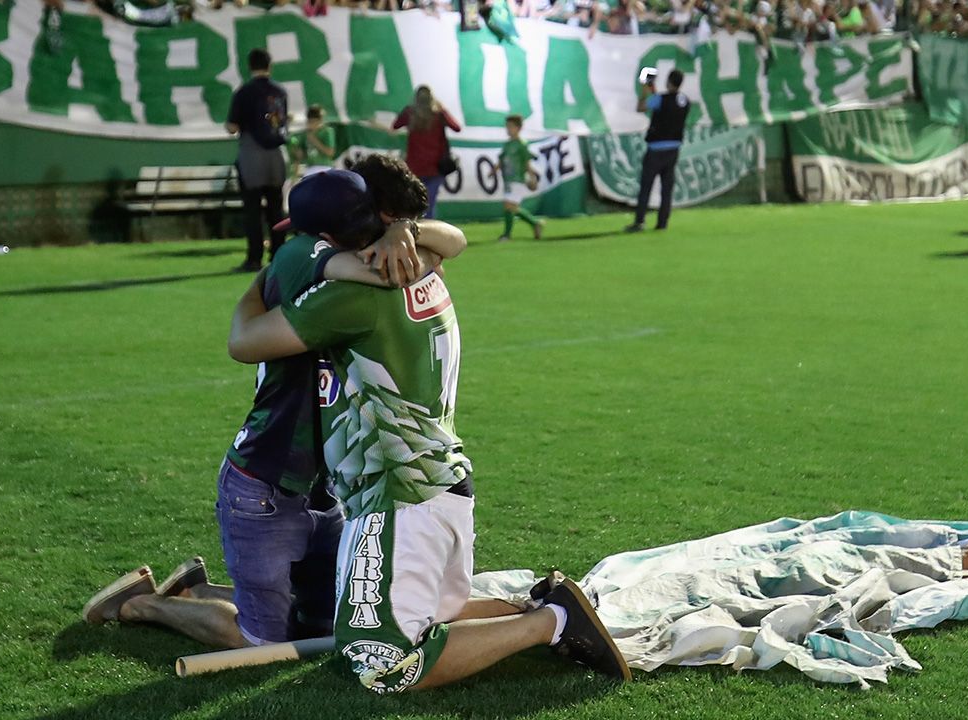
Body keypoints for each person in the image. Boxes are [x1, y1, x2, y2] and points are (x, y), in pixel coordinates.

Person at [225, 190, 632, 693]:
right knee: (429, 614)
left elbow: (243, 342)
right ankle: (536, 607)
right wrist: (408, 232)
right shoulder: (421, 266)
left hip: (397, 495)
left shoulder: (352, 295)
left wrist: (262, 281)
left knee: (379, 663)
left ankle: (551, 621)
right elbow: (449, 241)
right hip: (440, 479)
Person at [81, 161, 471, 650]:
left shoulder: (342, 253)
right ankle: (144, 604)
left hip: (320, 484)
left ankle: (195, 588)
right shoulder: (301, 255)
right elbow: (244, 341)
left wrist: (401, 232)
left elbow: (447, 243)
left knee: (327, 624)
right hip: (265, 478)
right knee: (262, 642)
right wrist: (395, 244)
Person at [228, 48, 288, 272]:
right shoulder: (280, 92)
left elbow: (232, 126)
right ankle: (279, 255)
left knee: (252, 209)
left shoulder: (244, 92)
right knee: (276, 208)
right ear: (270, 66)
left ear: (250, 66)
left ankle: (254, 258)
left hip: (252, 154)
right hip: (276, 154)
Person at [626, 69, 691, 234]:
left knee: (646, 186)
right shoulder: (685, 100)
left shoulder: (659, 99)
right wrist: (654, 93)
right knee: (666, 188)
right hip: (673, 149)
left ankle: (640, 221)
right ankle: (662, 223)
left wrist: (645, 90)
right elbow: (667, 105)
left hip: (656, 150)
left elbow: (641, 107)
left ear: (668, 81)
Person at [393, 86, 462, 220]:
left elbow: (395, 126)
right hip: (436, 167)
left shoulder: (409, 113)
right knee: (429, 203)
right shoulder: (439, 114)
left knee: (415, 203)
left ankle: (415, 232)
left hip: (414, 166)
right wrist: (443, 109)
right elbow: (457, 128)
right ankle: (429, 234)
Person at [497, 115, 545, 242]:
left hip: (518, 179)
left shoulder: (522, 144)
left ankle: (507, 235)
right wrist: (494, 170)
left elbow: (527, 163)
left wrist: (532, 177)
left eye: (511, 126)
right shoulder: (507, 145)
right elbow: (502, 159)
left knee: (509, 206)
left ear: (519, 128)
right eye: (507, 126)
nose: (508, 129)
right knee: (511, 207)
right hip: (508, 179)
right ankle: (535, 223)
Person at [288, 104, 337, 180]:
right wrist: (298, 152)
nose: (311, 124)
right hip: (309, 168)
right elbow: (301, 155)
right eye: (309, 121)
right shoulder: (304, 134)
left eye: (314, 121)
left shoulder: (327, 132)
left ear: (320, 121)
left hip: (324, 167)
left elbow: (330, 152)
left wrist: (315, 141)